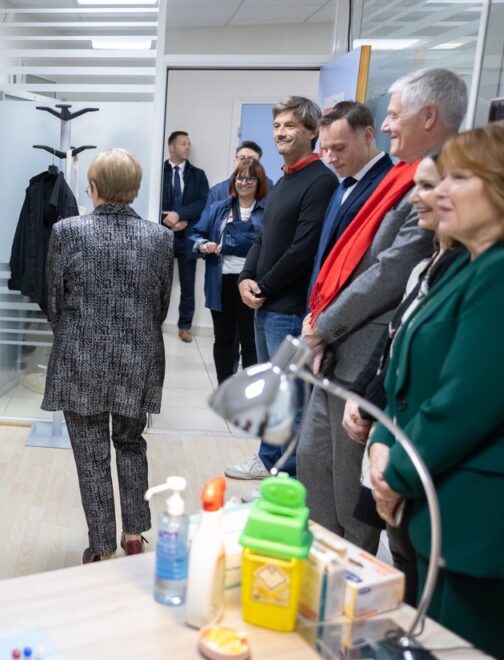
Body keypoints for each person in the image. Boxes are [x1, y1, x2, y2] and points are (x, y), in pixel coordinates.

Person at [369, 123, 504, 660]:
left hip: (483, 513)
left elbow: (472, 398)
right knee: (432, 653)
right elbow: (405, 367)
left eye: (460, 178)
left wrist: (393, 472)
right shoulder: (468, 264)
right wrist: (381, 436)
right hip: (443, 494)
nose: (438, 191)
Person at [297, 69, 465, 553]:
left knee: (352, 496)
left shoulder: (434, 184)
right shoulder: (400, 178)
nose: (387, 125)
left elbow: (390, 273)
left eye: (394, 115)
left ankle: (348, 581)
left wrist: (324, 324)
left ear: (428, 116)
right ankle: (322, 570)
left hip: (361, 356)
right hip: (337, 351)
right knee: (315, 470)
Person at [344, 154, 464, 606]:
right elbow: (396, 345)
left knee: (421, 582)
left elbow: (456, 390)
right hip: (393, 439)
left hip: (419, 456)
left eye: (429, 186)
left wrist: (390, 459)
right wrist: (368, 405)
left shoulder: (490, 271)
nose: (415, 197)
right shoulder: (431, 263)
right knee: (403, 558)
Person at [42, 148, 173, 563]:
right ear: (134, 189)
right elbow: (162, 304)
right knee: (131, 444)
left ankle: (101, 548)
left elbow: (53, 301)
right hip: (139, 357)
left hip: (81, 358)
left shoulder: (68, 232)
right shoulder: (160, 237)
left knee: (91, 454)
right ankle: (133, 534)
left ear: (94, 188)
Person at [229, 96, 338, 480]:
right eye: (277, 126)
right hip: (267, 302)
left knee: (289, 396)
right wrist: (246, 277)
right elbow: (263, 237)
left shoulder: (321, 180)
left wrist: (265, 286)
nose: (281, 132)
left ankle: (284, 475)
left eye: (290, 125)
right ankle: (267, 459)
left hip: (289, 308)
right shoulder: (284, 179)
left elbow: (303, 249)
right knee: (272, 391)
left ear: (312, 131)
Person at [306, 101, 393, 304]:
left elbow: (373, 266)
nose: (330, 158)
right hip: (322, 308)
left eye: (338, 148)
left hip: (350, 313)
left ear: (367, 135)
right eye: (325, 149)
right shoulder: (343, 183)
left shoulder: (387, 184)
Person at [190, 157, 267, 384]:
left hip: (252, 284)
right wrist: (204, 245)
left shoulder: (267, 211)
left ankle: (249, 390)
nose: (243, 182)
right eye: (239, 178)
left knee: (250, 340)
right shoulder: (218, 208)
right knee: (223, 338)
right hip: (220, 282)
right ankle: (224, 387)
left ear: (259, 181)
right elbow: (195, 235)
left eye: (250, 178)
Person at [161, 131, 210, 342]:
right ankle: (154, 323)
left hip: (187, 235)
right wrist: (167, 220)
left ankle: (184, 327)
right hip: (162, 235)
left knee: (188, 285)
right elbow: (153, 196)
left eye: (189, 144)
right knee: (158, 283)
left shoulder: (198, 175)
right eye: (183, 143)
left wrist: (180, 216)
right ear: (171, 148)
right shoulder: (158, 171)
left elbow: (202, 203)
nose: (187, 147)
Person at [206, 141, 263, 207]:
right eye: (242, 158)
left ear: (259, 165)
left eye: (251, 159)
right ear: (234, 162)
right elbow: (208, 216)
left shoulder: (269, 188)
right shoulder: (217, 192)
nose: (245, 163)